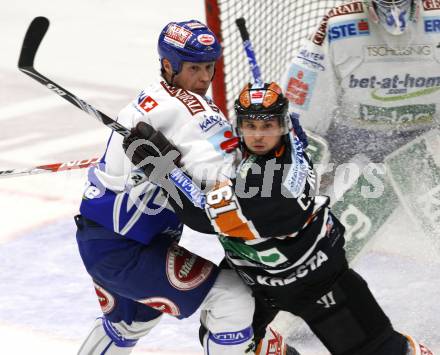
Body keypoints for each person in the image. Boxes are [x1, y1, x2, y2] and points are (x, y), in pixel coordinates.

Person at [124, 81, 434, 354]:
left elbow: (201, 216)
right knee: (227, 340)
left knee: (381, 351)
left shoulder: (272, 191)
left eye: (267, 127)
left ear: (281, 126)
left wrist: (163, 171)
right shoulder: (293, 137)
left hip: (318, 282)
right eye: (251, 126)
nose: (258, 136)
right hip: (258, 283)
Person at [75, 20, 257, 355]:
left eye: (208, 67)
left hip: (102, 241)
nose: (204, 78)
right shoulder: (193, 110)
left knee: (130, 324)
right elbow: (234, 182)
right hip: (127, 251)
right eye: (194, 68)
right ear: (169, 65)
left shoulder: (149, 97)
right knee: (233, 299)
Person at [280, 0, 440, 253]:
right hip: (356, 152)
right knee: (317, 243)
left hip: (429, 146)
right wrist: (296, 174)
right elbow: (301, 113)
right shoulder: (337, 24)